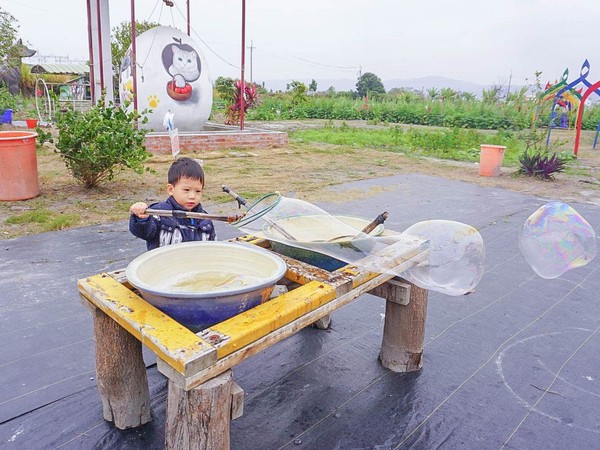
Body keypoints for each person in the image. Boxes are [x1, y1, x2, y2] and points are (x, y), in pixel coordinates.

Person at [129, 157, 216, 250]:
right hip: (164, 264)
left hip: (195, 264)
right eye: (186, 190)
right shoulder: (159, 213)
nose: (192, 196)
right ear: (171, 189)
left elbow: (212, 249)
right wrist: (141, 218)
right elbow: (143, 232)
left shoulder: (205, 219)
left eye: (198, 191)